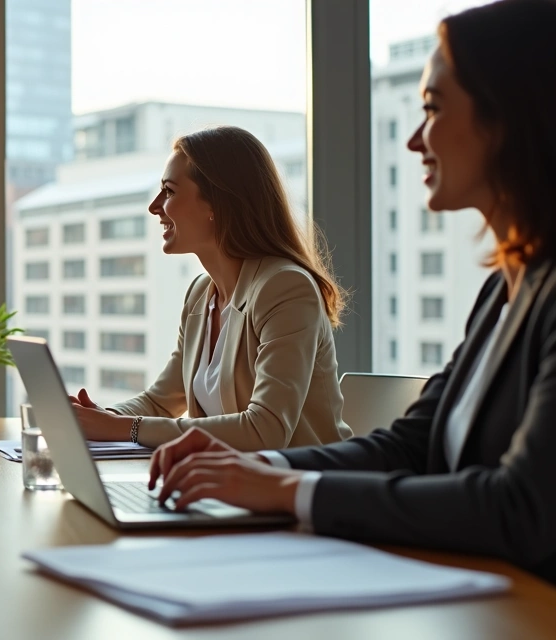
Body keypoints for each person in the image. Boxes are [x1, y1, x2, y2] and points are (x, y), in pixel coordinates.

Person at [150, 0, 556, 584]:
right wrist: (259, 469)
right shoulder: (503, 292)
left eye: (434, 109)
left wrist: (289, 487)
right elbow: (409, 447)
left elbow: (520, 508)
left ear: (510, 118)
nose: (416, 139)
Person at [69, 126, 353, 450]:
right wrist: (93, 419)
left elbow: (265, 431)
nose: (155, 206)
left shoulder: (285, 288)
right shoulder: (200, 295)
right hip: (231, 489)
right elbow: (160, 402)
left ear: (216, 205)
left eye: (169, 192)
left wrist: (124, 428)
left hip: (300, 489)